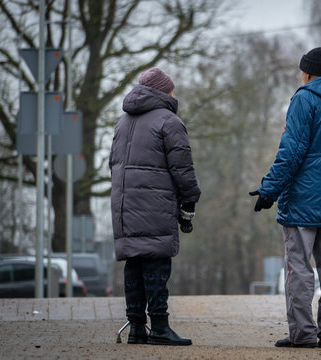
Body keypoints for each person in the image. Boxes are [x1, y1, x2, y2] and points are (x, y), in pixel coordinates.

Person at [250, 47, 321, 349]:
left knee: (299, 270)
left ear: (307, 73)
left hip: (303, 203)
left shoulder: (304, 99)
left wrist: (269, 190)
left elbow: (291, 152)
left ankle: (302, 335)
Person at [109, 67, 201, 346]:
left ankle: (137, 328)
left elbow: (112, 165)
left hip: (125, 206)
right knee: (157, 265)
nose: (175, 94)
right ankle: (160, 326)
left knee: (134, 266)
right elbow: (183, 169)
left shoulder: (122, 123)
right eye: (172, 89)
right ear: (163, 91)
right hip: (155, 204)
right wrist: (190, 199)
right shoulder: (169, 121)